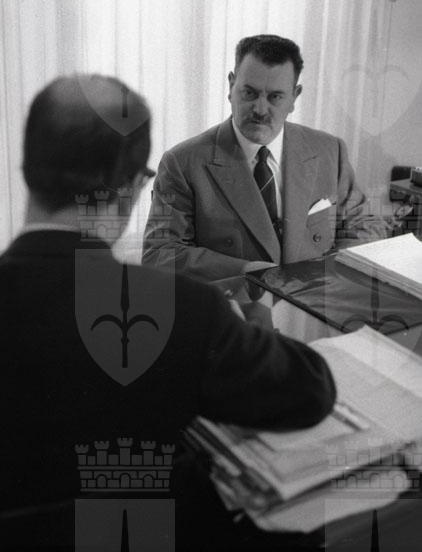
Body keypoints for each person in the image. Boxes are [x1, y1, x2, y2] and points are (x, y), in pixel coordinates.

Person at [0, 74, 335, 550]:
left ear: (25, 170)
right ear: (135, 186)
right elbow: (311, 391)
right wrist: (258, 326)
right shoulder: (184, 310)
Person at [142, 34, 389, 282]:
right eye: (249, 93)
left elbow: (366, 225)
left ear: (294, 97)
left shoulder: (329, 150)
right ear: (231, 86)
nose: (260, 109)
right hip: (232, 301)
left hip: (314, 299)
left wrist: (328, 276)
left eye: (275, 97)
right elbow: (160, 254)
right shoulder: (182, 163)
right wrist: (245, 272)